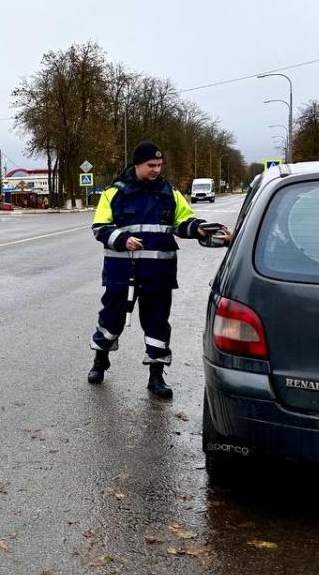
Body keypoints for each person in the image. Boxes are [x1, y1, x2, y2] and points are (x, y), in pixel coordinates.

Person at [87, 141, 231, 399]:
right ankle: (100, 361)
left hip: (158, 276)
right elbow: (100, 227)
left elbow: (183, 221)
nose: (156, 170)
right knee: (111, 321)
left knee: (157, 325)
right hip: (122, 274)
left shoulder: (169, 193)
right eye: (150, 165)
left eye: (159, 165)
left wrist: (197, 228)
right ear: (137, 164)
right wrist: (121, 239)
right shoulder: (113, 193)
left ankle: (156, 376)